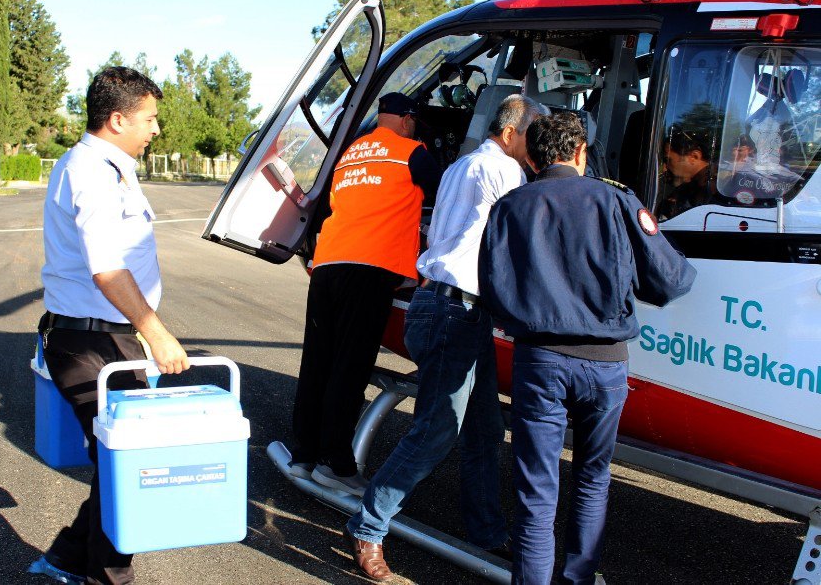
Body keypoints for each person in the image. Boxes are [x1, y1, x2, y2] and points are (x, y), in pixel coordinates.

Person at [480, 112, 696, 585]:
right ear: (580, 153)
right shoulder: (617, 200)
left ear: (533, 158)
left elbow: (493, 291)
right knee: (593, 479)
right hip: (605, 367)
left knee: (536, 491)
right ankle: (578, 579)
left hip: (538, 362)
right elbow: (671, 280)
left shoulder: (510, 206)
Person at [343, 94, 545, 581]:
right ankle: (368, 527)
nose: (536, 143)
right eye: (533, 132)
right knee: (435, 430)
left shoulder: (463, 164)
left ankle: (485, 531)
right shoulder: (506, 173)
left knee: (481, 430)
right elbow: (512, 245)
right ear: (512, 131)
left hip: (447, 308)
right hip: (455, 309)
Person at [31, 66, 189, 585]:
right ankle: (105, 577)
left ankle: (67, 558)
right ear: (117, 119)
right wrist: (158, 332)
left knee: (120, 461)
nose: (156, 129)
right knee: (127, 466)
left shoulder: (111, 165)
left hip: (107, 335)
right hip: (88, 340)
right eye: (150, 119)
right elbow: (108, 269)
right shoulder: (92, 171)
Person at [289, 92, 442, 497]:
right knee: (350, 366)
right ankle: (337, 464)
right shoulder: (413, 151)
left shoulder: (351, 151)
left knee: (318, 360)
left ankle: (303, 451)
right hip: (370, 268)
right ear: (408, 120)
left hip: (327, 264)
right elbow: (445, 200)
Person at [657, 126, 713, 219]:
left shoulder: (719, 187)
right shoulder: (686, 189)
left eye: (668, 160)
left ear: (694, 156)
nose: (664, 168)